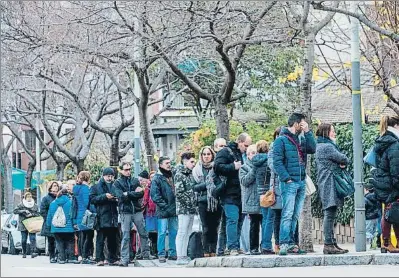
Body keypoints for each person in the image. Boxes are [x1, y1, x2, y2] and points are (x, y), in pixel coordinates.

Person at [273, 113, 316, 256]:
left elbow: (312, 149)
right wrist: (286, 178)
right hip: (289, 183)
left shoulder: (301, 139)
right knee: (287, 213)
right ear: (296, 123)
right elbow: (277, 162)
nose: (303, 125)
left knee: (295, 214)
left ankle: (292, 243)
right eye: (302, 123)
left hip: (300, 181)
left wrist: (308, 132)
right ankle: (284, 243)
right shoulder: (281, 141)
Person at [214, 133, 251, 256]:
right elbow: (217, 167)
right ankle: (232, 247)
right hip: (228, 192)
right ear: (239, 142)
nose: (247, 147)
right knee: (232, 219)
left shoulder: (243, 154)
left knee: (237, 221)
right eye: (245, 145)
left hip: (241, 193)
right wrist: (232, 166)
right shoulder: (225, 152)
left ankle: (227, 247)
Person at [315, 123, 350, 254]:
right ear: (326, 132)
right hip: (329, 183)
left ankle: (332, 242)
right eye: (332, 131)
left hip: (325, 182)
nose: (334, 133)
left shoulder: (320, 146)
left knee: (331, 213)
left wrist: (339, 163)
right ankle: (328, 244)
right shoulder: (327, 147)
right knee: (329, 214)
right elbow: (343, 158)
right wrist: (340, 162)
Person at [113, 162, 153, 267]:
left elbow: (140, 194)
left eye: (129, 169)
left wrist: (128, 194)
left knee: (143, 232)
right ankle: (124, 259)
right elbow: (121, 197)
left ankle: (146, 254)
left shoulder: (135, 180)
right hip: (125, 211)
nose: (128, 171)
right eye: (126, 169)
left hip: (136, 210)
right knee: (125, 235)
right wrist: (132, 194)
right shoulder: (117, 183)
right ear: (121, 170)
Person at [372, 115, 399, 253]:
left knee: (391, 211)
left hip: (383, 182)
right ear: (395, 126)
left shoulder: (384, 140)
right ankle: (386, 243)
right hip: (391, 183)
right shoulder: (394, 144)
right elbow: (396, 168)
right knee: (390, 212)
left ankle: (388, 243)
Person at [193, 146, 221, 257]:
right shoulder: (196, 170)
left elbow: (220, 183)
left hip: (216, 201)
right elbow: (194, 186)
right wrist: (207, 184)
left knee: (214, 227)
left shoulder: (217, 167)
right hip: (202, 201)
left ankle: (213, 250)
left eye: (208, 154)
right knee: (205, 227)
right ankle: (205, 251)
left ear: (212, 155)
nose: (206, 156)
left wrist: (212, 187)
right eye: (204, 154)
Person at [150, 156, 178, 263]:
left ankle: (173, 252)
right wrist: (165, 206)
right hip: (163, 210)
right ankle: (161, 254)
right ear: (161, 165)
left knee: (173, 232)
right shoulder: (157, 178)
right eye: (167, 163)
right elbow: (155, 195)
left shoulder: (173, 176)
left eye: (169, 162)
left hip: (173, 209)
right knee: (161, 232)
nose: (169, 164)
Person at [90, 167, 120, 266]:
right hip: (101, 216)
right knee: (100, 240)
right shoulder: (96, 187)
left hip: (113, 216)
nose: (109, 178)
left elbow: (120, 197)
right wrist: (104, 196)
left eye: (111, 176)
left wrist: (116, 199)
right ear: (103, 176)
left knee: (113, 240)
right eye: (108, 176)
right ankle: (99, 259)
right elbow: (92, 199)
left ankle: (113, 258)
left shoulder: (116, 186)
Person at [239, 144, 262, 255]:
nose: (251, 155)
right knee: (254, 224)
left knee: (266, 223)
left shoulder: (263, 165)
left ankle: (266, 246)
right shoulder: (244, 167)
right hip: (251, 200)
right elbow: (245, 181)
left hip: (263, 198)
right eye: (248, 153)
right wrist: (254, 169)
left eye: (253, 153)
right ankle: (253, 248)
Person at [252, 140, 274, 255]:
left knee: (265, 218)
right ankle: (266, 245)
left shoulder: (254, 161)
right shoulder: (268, 160)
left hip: (260, 193)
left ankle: (264, 244)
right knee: (270, 219)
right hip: (269, 192)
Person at [175, 152, 197, 265]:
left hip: (191, 208)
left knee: (187, 232)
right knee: (182, 231)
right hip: (184, 208)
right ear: (185, 161)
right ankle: (180, 255)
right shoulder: (180, 174)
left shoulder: (190, 174)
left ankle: (184, 254)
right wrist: (190, 204)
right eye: (191, 161)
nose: (194, 164)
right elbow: (179, 193)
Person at [46, 189, 76, 264]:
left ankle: (61, 258)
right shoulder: (70, 202)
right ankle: (71, 258)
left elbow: (49, 216)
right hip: (68, 228)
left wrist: (49, 225)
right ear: (67, 194)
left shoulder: (53, 203)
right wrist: (75, 224)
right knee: (70, 242)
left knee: (59, 242)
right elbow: (73, 215)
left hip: (56, 228)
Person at [72, 171, 95, 264]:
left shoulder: (76, 188)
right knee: (89, 236)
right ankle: (86, 256)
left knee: (82, 236)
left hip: (79, 215)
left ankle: (81, 255)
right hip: (86, 214)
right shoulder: (85, 188)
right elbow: (86, 202)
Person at [13, 192, 39, 259]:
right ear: (25, 197)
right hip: (23, 224)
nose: (29, 198)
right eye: (28, 197)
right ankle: (24, 252)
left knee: (32, 239)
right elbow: (15, 211)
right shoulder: (21, 204)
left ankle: (33, 252)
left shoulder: (35, 205)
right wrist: (23, 211)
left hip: (32, 224)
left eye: (30, 196)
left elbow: (38, 214)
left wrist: (32, 214)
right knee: (24, 239)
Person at [40, 181, 60, 263]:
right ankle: (52, 256)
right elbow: (42, 210)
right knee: (51, 240)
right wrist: (48, 218)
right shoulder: (46, 198)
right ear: (50, 188)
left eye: (57, 186)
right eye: (54, 186)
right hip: (50, 223)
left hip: (59, 222)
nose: (56, 187)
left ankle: (58, 255)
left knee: (58, 240)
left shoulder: (59, 197)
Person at [142, 170, 158, 257]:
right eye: (151, 177)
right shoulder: (147, 188)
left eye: (154, 177)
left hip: (158, 212)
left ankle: (156, 251)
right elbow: (145, 200)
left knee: (158, 232)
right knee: (150, 232)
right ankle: (152, 251)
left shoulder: (159, 186)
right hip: (149, 212)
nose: (153, 179)